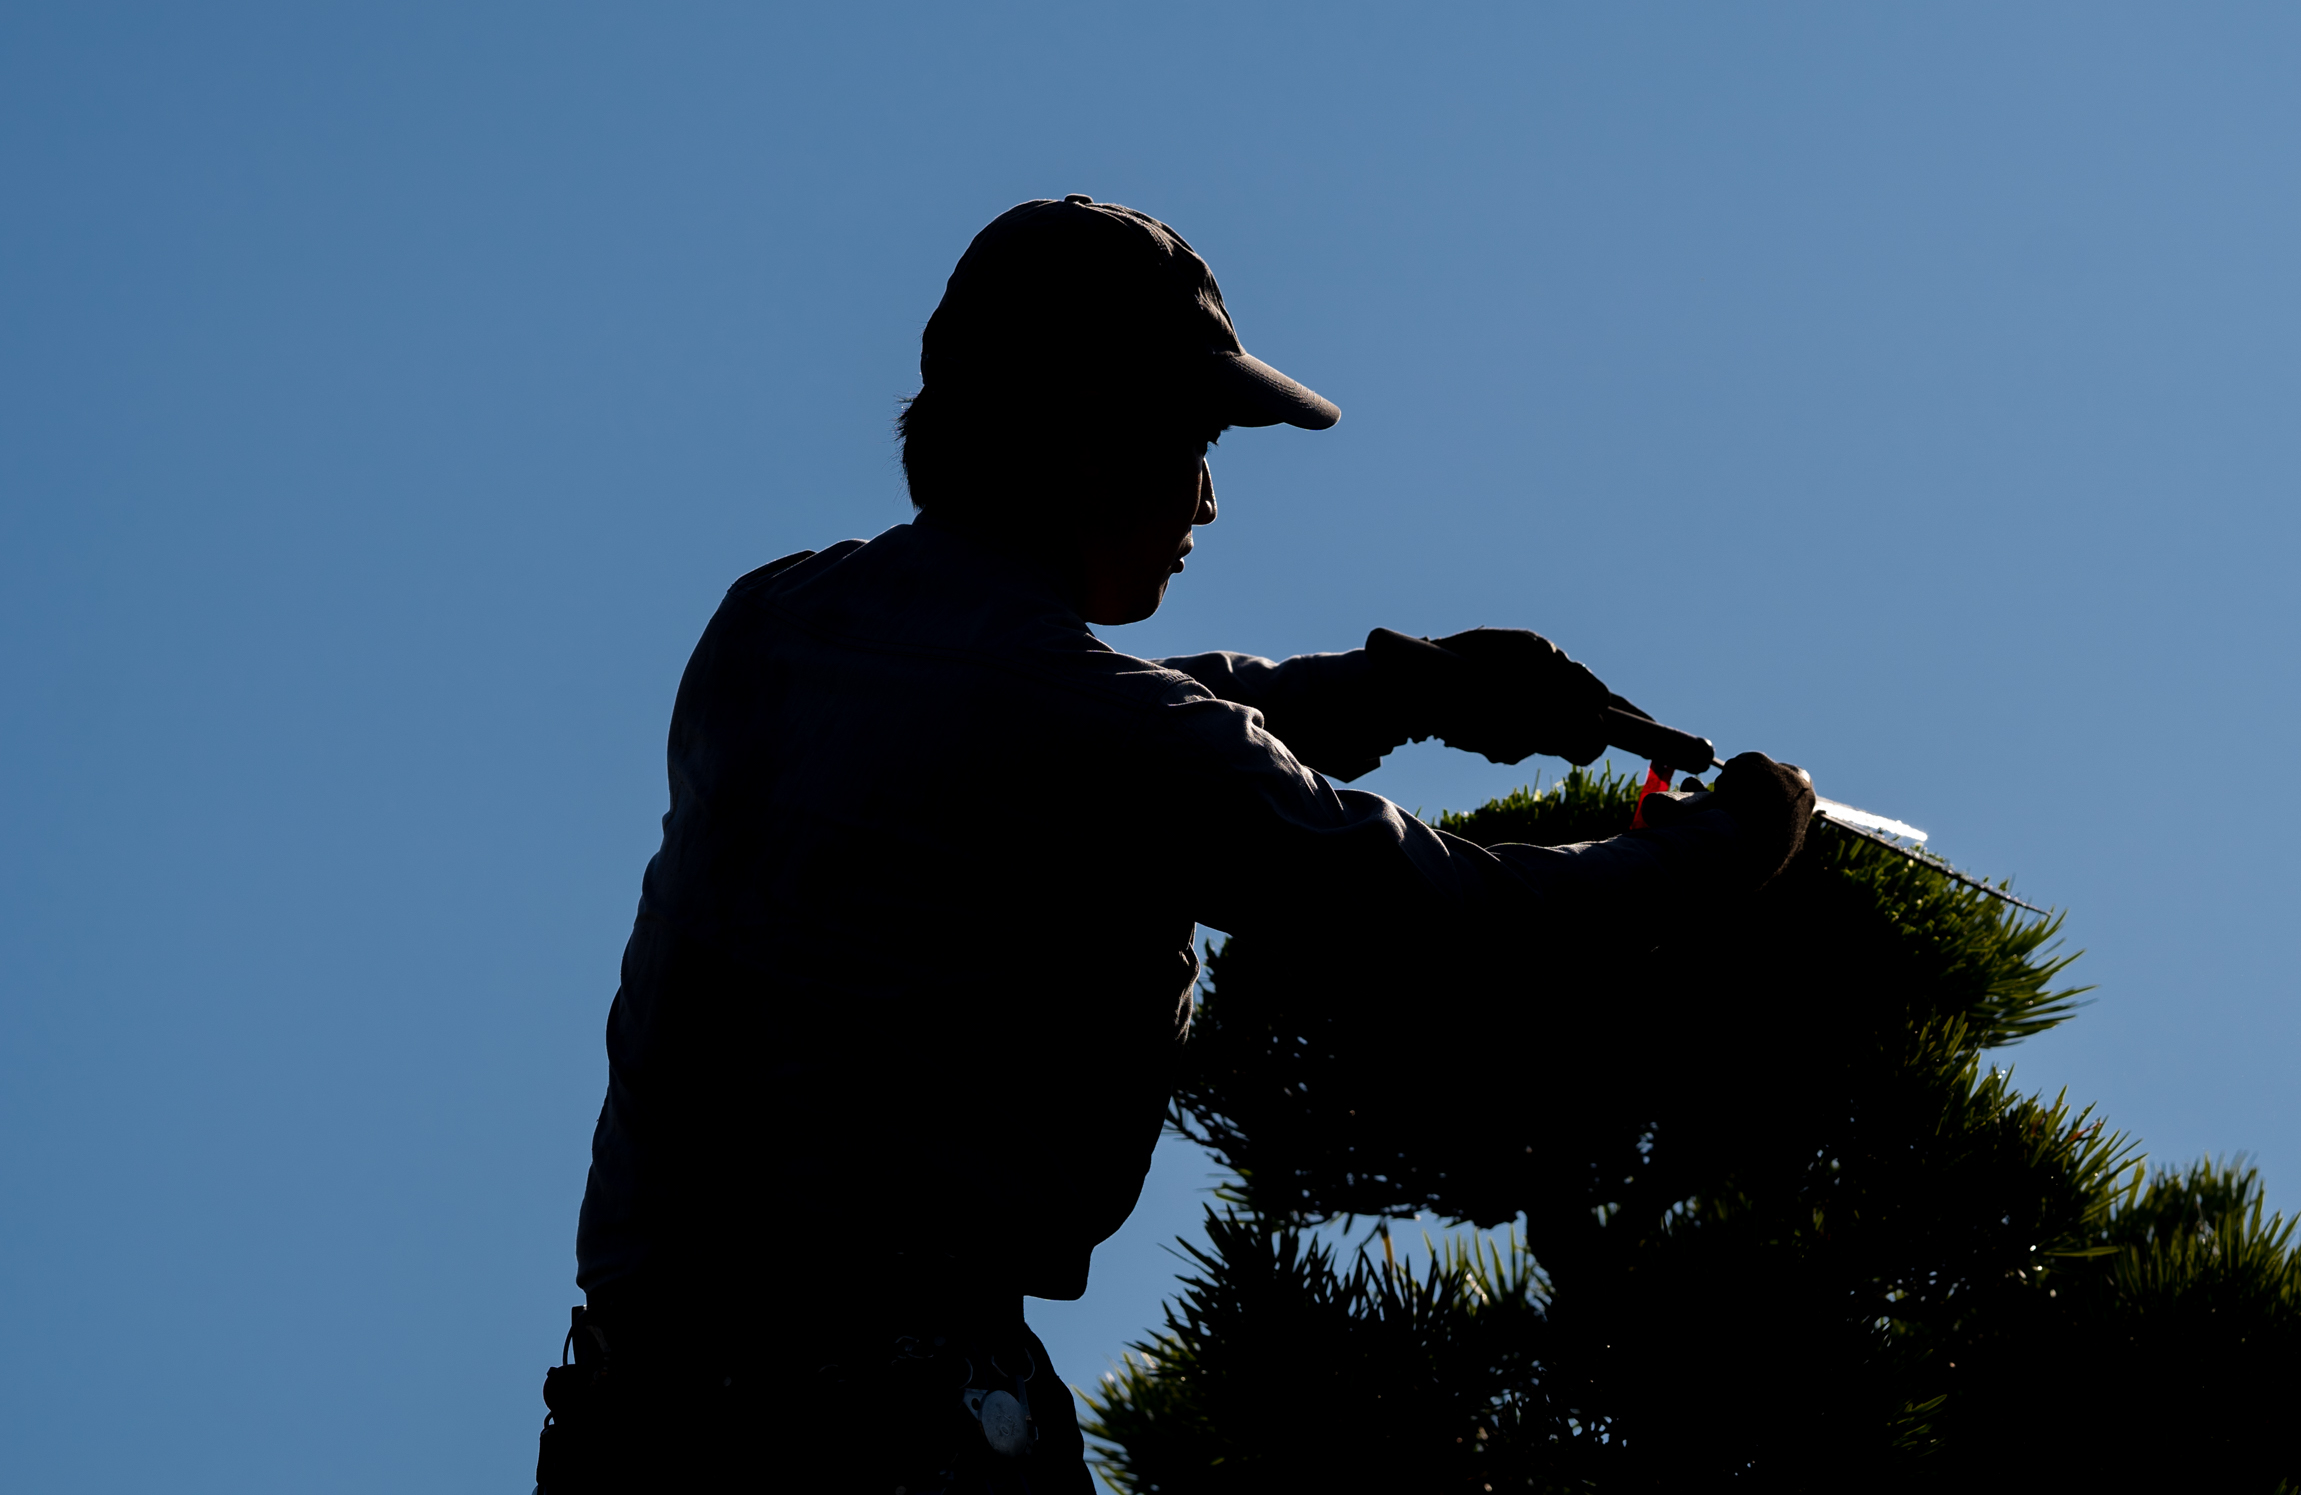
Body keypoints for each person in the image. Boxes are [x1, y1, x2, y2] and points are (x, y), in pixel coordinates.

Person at [532, 196, 1814, 1492]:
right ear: (1092, 439)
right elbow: (1447, 916)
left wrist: (1410, 688)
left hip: (628, 1419)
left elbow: (1039, 721)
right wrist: (1723, 846)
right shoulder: (1100, 734)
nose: (1208, 498)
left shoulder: (770, 622)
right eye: (1199, 441)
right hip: (886, 1427)